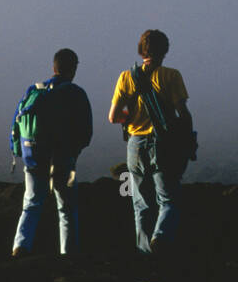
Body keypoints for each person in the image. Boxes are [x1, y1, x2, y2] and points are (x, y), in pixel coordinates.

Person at [108, 29, 194, 255]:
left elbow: (113, 117)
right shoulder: (171, 75)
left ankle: (145, 256)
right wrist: (186, 139)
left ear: (141, 50)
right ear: (165, 50)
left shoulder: (126, 77)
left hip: (135, 145)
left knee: (141, 204)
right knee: (168, 200)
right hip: (163, 144)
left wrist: (132, 119)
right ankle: (161, 239)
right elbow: (183, 112)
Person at [11, 48, 93, 257]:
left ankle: (21, 246)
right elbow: (86, 132)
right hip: (63, 160)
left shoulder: (34, 90)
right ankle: (68, 254)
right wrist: (74, 153)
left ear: (53, 67)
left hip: (33, 159)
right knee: (66, 209)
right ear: (73, 69)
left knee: (31, 205)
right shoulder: (75, 93)